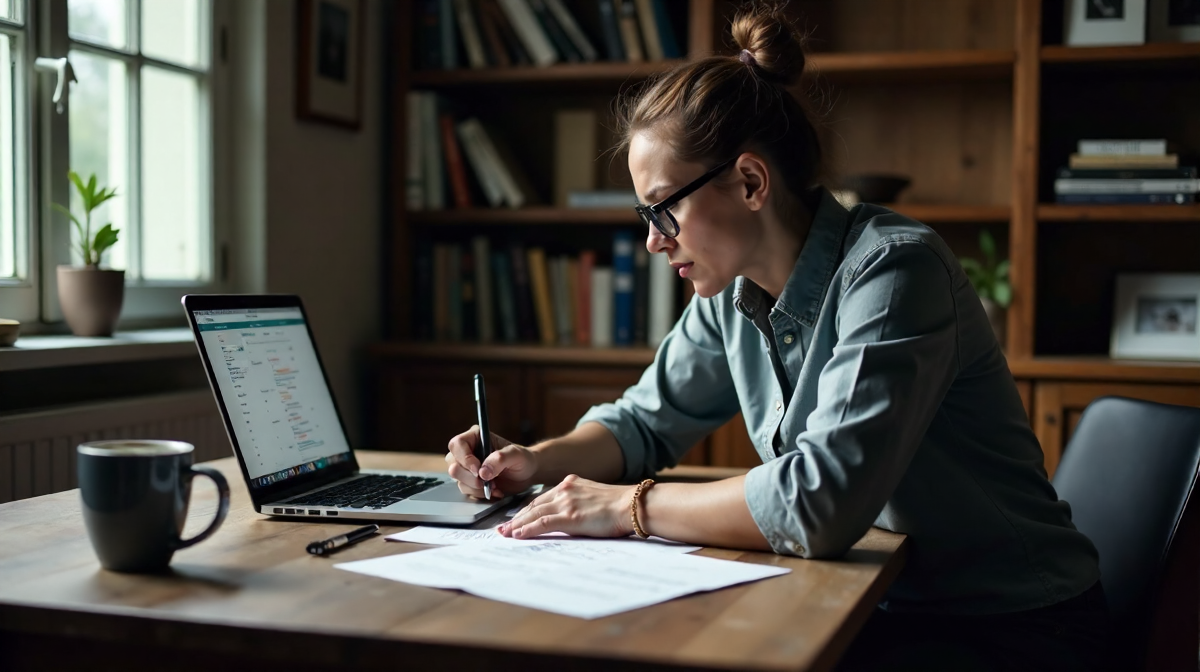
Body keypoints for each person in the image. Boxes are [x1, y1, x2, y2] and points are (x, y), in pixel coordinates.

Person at [445, 5, 1109, 670]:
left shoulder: (896, 271)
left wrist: (629, 506)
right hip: (874, 602)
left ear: (750, 182)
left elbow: (818, 501)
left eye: (663, 209)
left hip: (1011, 627)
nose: (653, 240)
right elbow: (642, 425)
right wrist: (536, 462)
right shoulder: (728, 291)